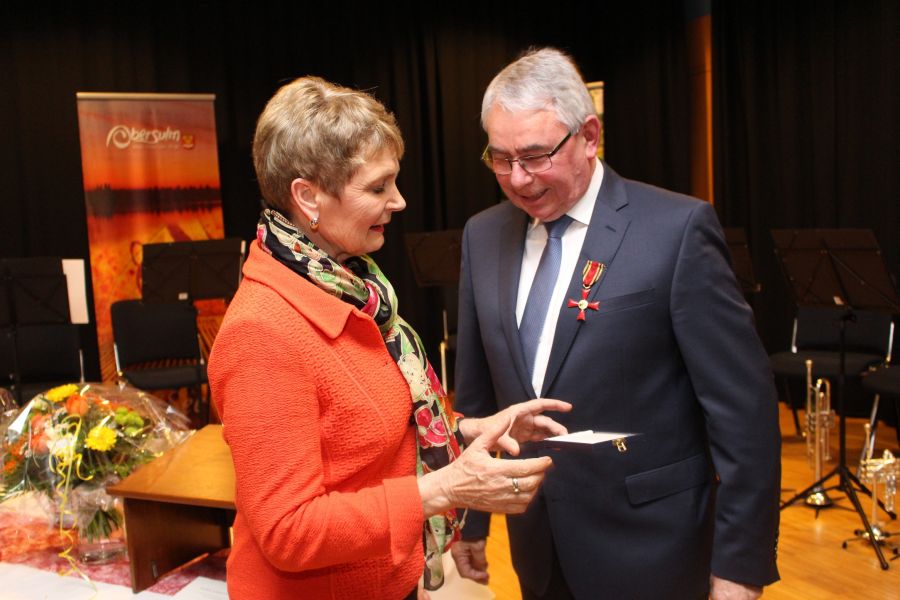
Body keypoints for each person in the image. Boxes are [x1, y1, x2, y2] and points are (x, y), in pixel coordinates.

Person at [208, 76, 572, 600]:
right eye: (378, 188)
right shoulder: (262, 332)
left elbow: (379, 437)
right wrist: (441, 488)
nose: (398, 202)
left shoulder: (352, 287)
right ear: (307, 196)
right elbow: (289, 531)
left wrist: (469, 429)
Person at [451, 48, 781, 600]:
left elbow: (742, 414)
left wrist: (740, 569)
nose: (517, 178)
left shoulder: (676, 231)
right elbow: (480, 397)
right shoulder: (481, 236)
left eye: (535, 156)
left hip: (656, 549)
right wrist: (473, 518)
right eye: (500, 158)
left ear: (589, 135)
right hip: (537, 546)